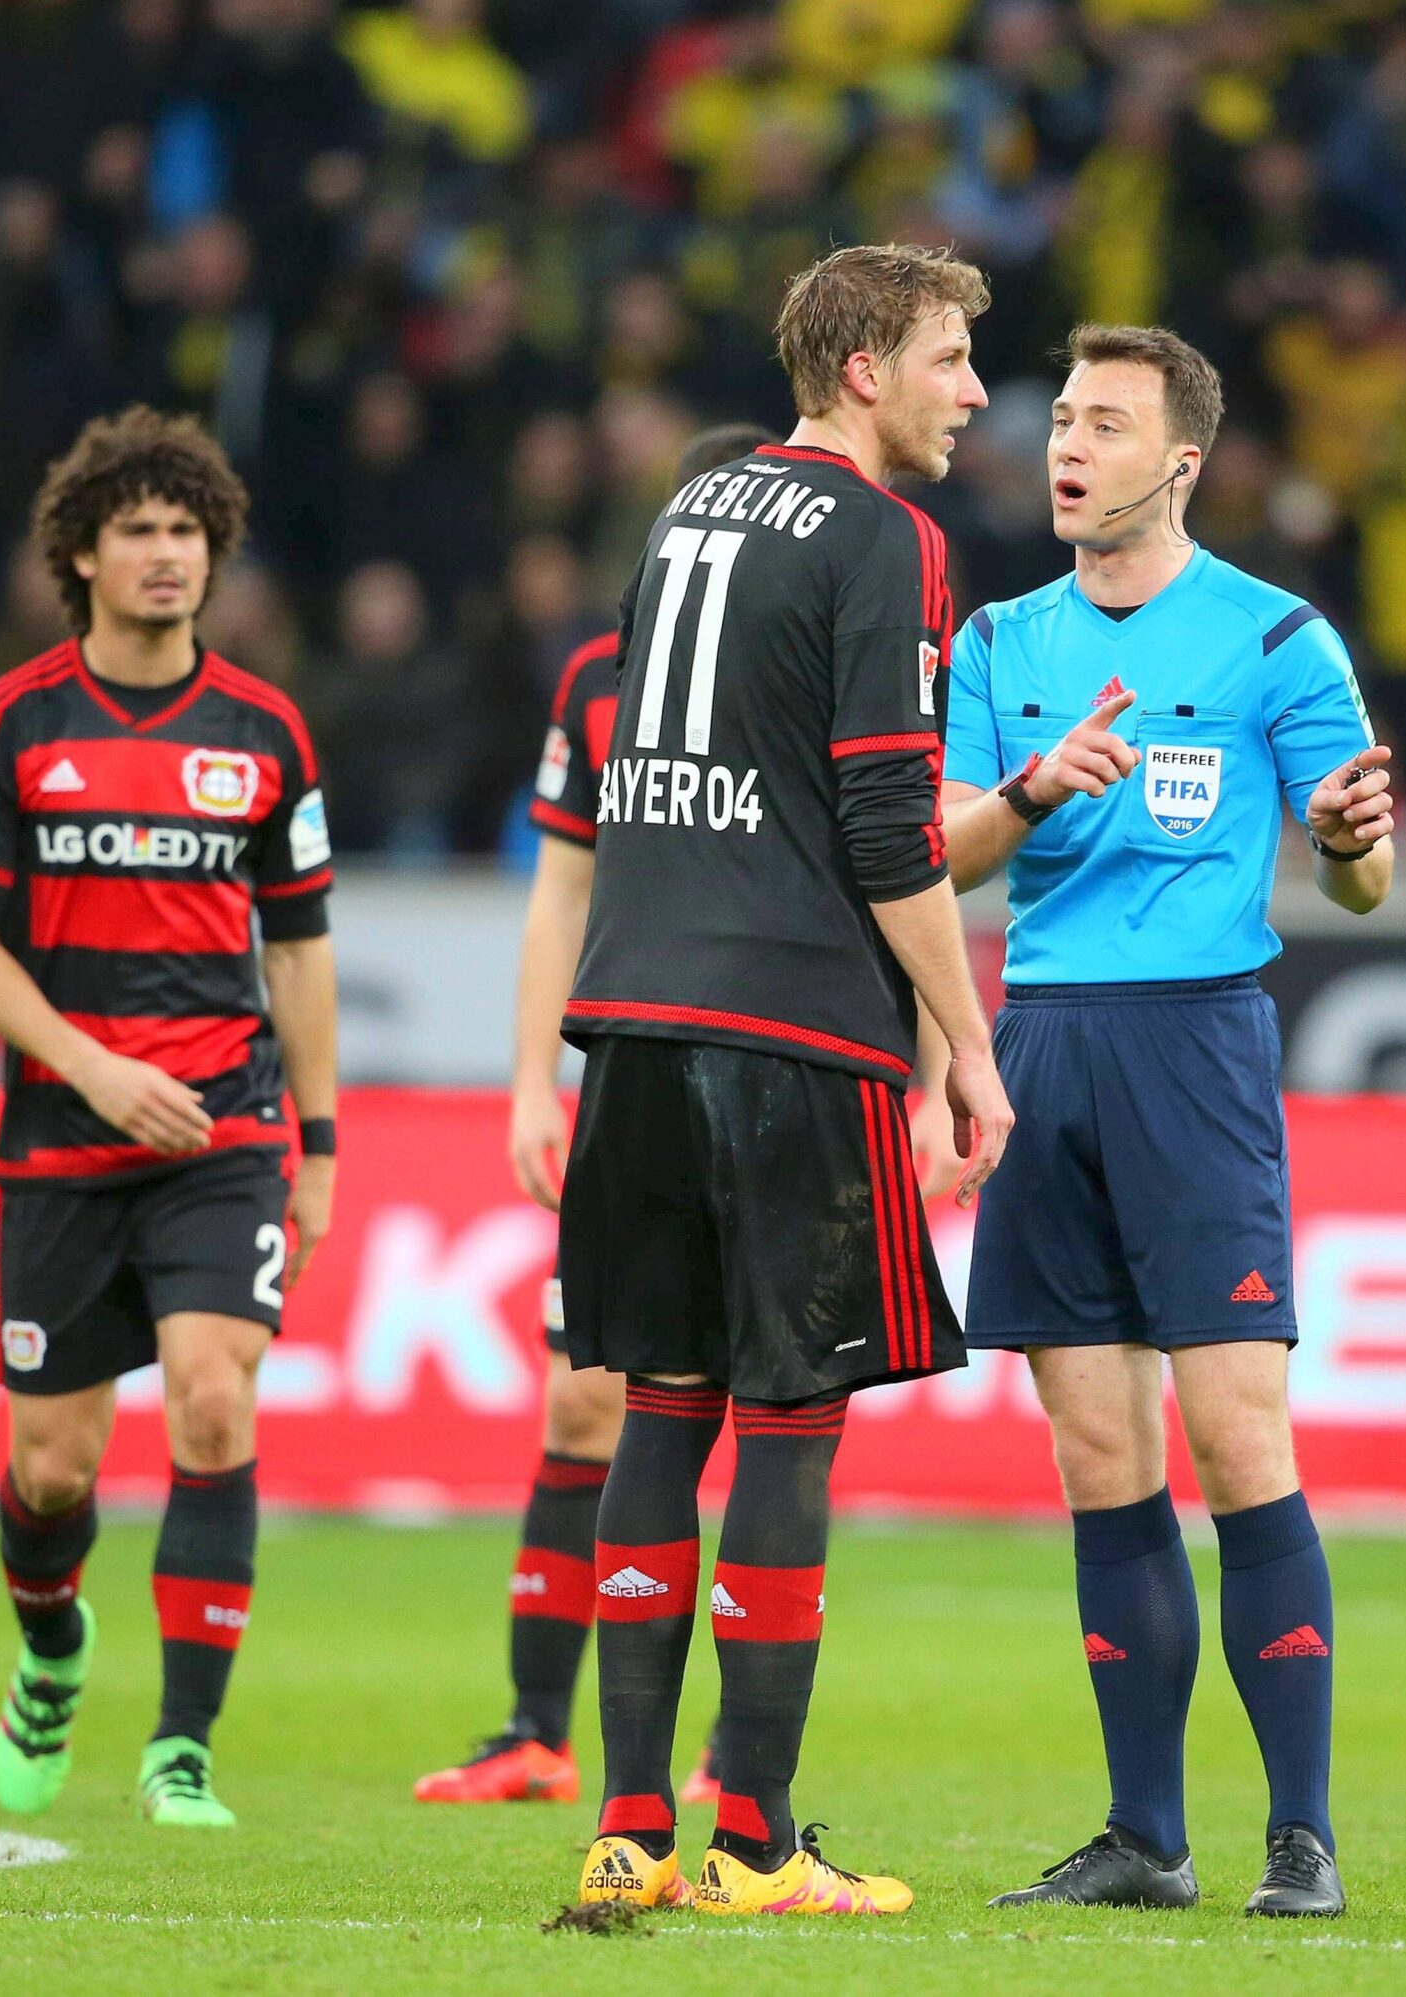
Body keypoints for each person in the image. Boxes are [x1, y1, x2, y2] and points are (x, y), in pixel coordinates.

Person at [561, 243, 1013, 1918]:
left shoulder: (693, 509)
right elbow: (890, 829)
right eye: (954, 359)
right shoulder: (888, 536)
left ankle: (627, 1823)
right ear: (862, 366)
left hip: (636, 1016)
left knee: (661, 1405)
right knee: (789, 1421)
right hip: (790, 1030)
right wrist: (966, 1046)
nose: (978, 393)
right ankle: (752, 1838)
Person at [937, 324, 1394, 1918]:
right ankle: (1146, 1833)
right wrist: (1035, 791)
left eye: (1104, 423)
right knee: (1097, 1449)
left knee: (1234, 1434)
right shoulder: (1001, 641)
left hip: (1197, 1046)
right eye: (1060, 417)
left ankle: (1304, 1833)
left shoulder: (1277, 641)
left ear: (1179, 463)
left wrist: (1343, 840)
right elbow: (946, 851)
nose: (1065, 444)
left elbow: (1360, 868)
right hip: (1045, 1039)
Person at [0, 407, 340, 1830]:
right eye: (140, 532)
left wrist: (322, 1139)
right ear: (83, 553)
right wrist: (93, 1068)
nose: (169, 556)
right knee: (54, 1464)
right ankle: (50, 1652)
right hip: (63, 1138)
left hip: (224, 1130)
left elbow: (299, 949)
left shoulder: (265, 729)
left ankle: (182, 1747)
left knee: (216, 1401)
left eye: (188, 533)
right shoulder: (17, 721)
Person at [413, 421, 777, 1810]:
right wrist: (528, 1079)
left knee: (758, 1410)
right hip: (626, 1078)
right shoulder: (597, 680)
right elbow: (560, 889)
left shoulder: (814, 660)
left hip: (772, 1071)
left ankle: (736, 1751)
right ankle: (533, 1729)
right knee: (584, 1397)